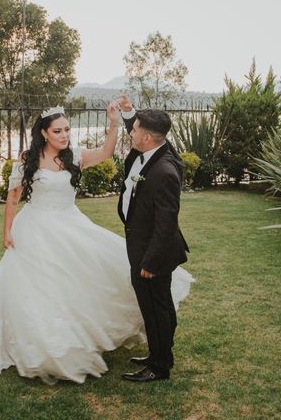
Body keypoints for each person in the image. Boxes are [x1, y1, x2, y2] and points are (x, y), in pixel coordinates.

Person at [0, 100, 193, 385]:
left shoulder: (75, 157)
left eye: (67, 129)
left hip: (70, 225)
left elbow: (106, 152)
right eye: (57, 131)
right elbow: (13, 197)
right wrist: (7, 231)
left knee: (89, 277)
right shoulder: (27, 160)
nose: (64, 135)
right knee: (38, 287)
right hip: (35, 229)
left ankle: (150, 351)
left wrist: (115, 124)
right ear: (44, 133)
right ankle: (43, 342)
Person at [117, 97, 191, 382]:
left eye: (134, 130)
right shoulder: (153, 150)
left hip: (153, 252)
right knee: (156, 305)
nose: (130, 133)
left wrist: (151, 261)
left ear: (147, 138)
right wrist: (128, 114)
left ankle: (160, 366)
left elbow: (166, 223)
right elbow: (137, 128)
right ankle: (160, 353)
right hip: (142, 246)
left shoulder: (164, 172)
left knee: (156, 307)